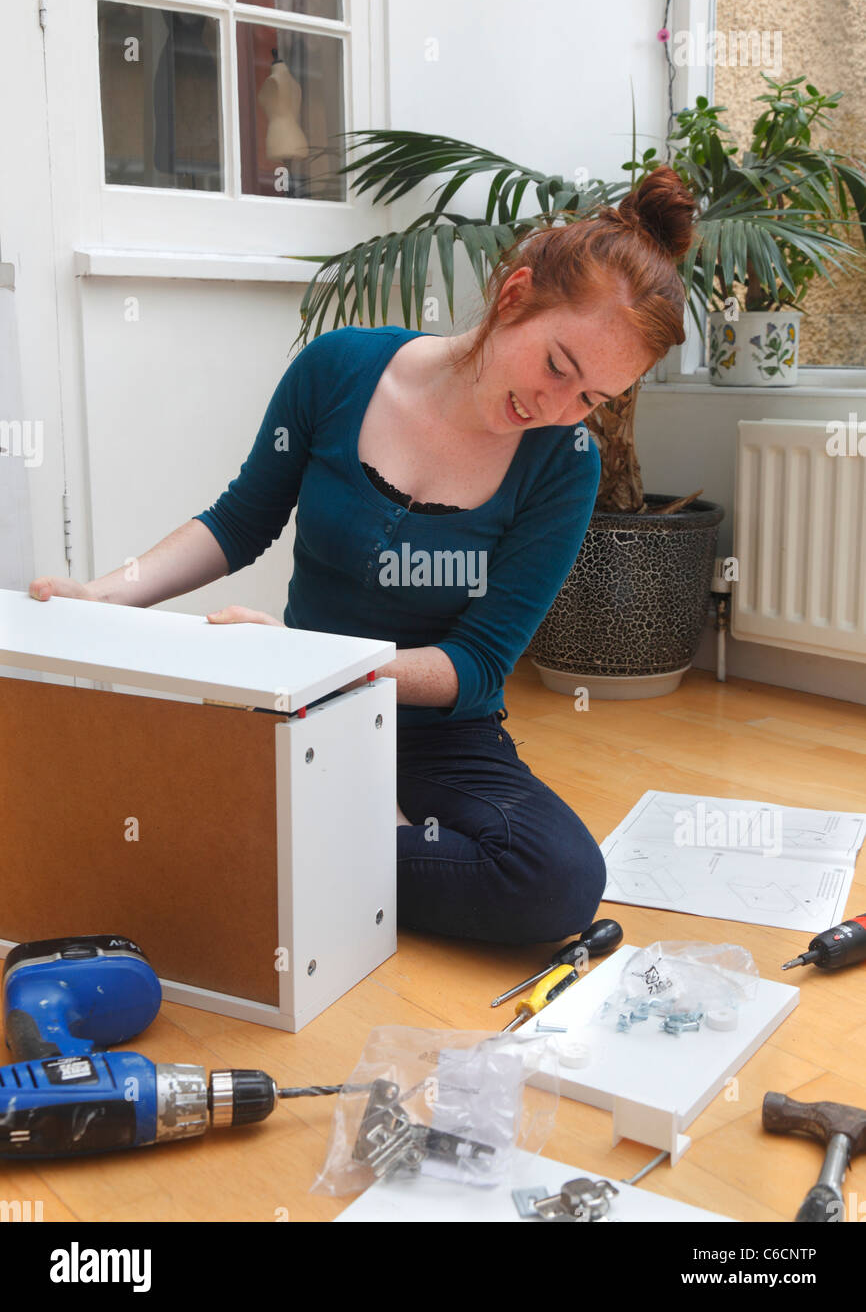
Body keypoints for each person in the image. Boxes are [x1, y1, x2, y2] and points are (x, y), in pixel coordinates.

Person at [30, 165, 696, 945]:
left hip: (439, 729)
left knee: (559, 881)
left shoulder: (564, 462)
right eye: (557, 365)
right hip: (297, 707)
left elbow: (478, 664)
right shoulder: (339, 369)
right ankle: (317, 832)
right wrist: (105, 599)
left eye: (591, 399)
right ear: (513, 297)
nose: (554, 408)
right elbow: (239, 522)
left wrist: (324, 658)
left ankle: (275, 841)